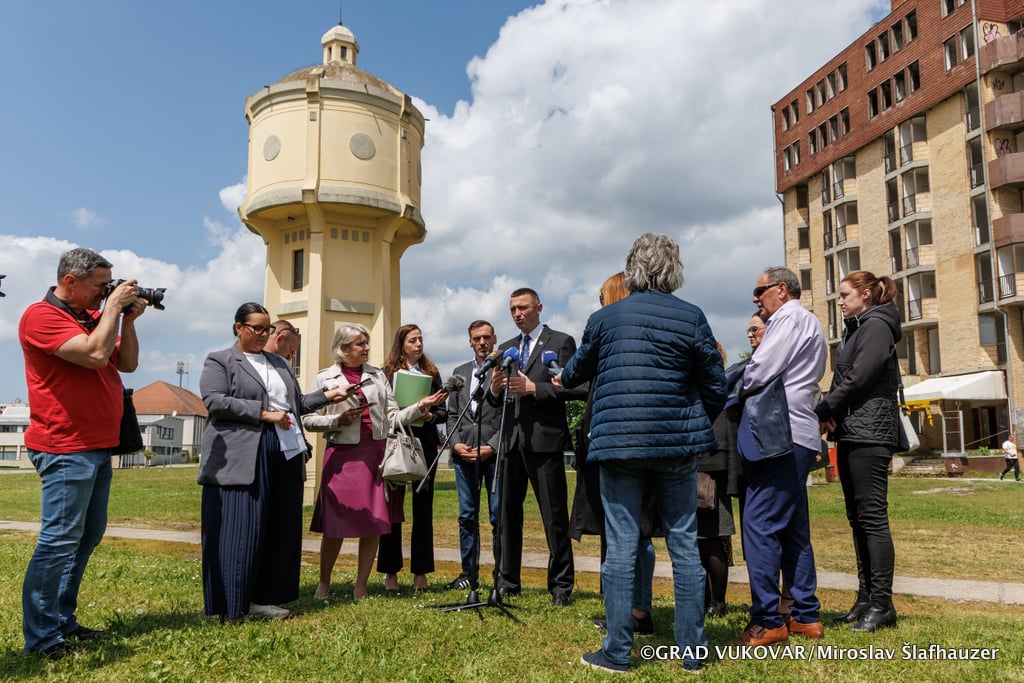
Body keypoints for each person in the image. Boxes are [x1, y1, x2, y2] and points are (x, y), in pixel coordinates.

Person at [557, 233, 728, 675]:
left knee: (621, 548)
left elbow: (576, 372)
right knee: (684, 546)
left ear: (632, 266)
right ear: (674, 269)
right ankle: (693, 650)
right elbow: (716, 385)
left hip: (617, 445)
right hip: (676, 448)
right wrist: (691, 425)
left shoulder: (605, 318)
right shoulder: (692, 316)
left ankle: (617, 652)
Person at [19, 248, 149, 659]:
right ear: (70, 282)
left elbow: (125, 363)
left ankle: (61, 622)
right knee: (58, 541)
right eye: (100, 286)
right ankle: (41, 639)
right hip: (64, 446)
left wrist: (125, 318)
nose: (105, 293)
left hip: (96, 444)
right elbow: (94, 356)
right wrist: (112, 309)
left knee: (86, 536)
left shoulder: (93, 317)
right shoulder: (41, 316)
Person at [198, 303, 346, 622]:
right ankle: (230, 604)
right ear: (239, 327)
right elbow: (214, 400)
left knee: (278, 525)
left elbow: (295, 404)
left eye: (267, 329)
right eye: (257, 328)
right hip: (245, 450)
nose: (263, 335)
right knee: (242, 527)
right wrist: (263, 414)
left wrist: (325, 396)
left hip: (285, 448)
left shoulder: (278, 363)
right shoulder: (220, 360)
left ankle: (265, 598)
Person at [303, 324, 447, 600]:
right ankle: (323, 583)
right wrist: (336, 420)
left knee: (374, 521)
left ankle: (361, 586)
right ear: (344, 349)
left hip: (376, 455)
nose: (367, 348)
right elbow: (308, 419)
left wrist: (419, 406)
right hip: (342, 456)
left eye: (367, 343)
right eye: (360, 344)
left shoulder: (378, 375)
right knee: (335, 525)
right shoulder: (325, 378)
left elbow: (393, 416)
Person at [729, 266, 826, 647]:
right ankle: (805, 615)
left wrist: (731, 392)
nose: (756, 299)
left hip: (779, 436)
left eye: (760, 291)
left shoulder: (788, 317)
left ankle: (768, 620)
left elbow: (760, 369)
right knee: (793, 529)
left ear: (781, 290)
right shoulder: (809, 321)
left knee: (759, 524)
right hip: (797, 434)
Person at [569, 273, 657, 636]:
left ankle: (630, 615)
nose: (599, 302)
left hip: (618, 443)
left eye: (602, 295)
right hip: (643, 441)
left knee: (629, 534)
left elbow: (579, 373)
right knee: (637, 534)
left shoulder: (609, 333)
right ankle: (636, 610)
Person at [814, 270, 902, 632]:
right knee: (858, 519)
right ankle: (865, 599)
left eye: (845, 294)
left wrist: (823, 410)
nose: (840, 300)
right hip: (854, 431)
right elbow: (845, 379)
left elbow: (858, 378)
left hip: (871, 434)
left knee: (872, 519)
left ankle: (882, 605)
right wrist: (833, 411)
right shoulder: (859, 326)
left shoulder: (877, 325)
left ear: (866, 294)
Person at [490, 287, 586, 606]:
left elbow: (577, 388)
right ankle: (507, 581)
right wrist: (493, 388)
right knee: (506, 516)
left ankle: (560, 587)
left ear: (538, 308)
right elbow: (492, 401)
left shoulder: (560, 343)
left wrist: (536, 389)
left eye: (523, 308)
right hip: (510, 441)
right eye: (512, 310)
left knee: (554, 517)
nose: (517, 314)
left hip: (545, 441)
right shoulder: (506, 349)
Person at [377, 324, 447, 592]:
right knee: (393, 510)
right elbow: (383, 409)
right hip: (396, 442)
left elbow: (443, 413)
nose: (418, 344)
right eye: (412, 340)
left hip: (425, 445)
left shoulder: (432, 372)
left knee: (423, 509)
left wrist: (429, 414)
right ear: (401, 344)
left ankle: (421, 572)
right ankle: (390, 572)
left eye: (421, 339)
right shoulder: (387, 373)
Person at [444, 320, 503, 591]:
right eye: (477, 338)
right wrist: (454, 445)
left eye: (487, 337)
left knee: (497, 516)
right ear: (470, 341)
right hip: (463, 455)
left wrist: (492, 444)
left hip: (493, 454)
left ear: (494, 340)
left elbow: (508, 415)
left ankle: (501, 576)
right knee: (467, 516)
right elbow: (453, 415)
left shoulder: (504, 369)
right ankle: (469, 572)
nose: (482, 342)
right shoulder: (459, 372)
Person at [699, 342, 741, 619]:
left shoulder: (720, 388)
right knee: (695, 541)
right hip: (693, 467)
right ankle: (702, 599)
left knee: (714, 539)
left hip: (712, 470)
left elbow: (728, 433)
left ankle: (718, 601)